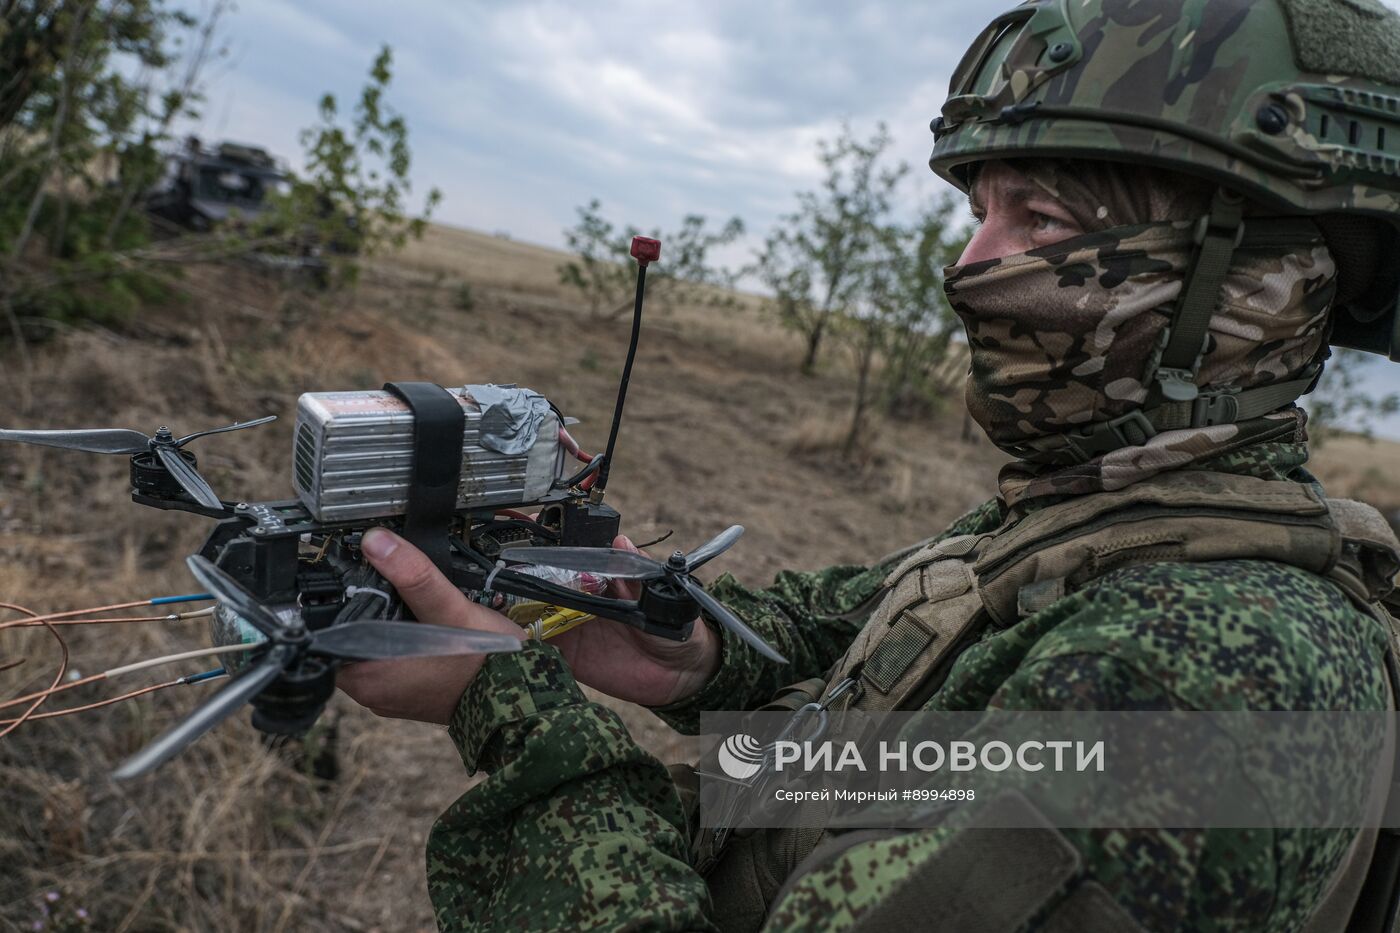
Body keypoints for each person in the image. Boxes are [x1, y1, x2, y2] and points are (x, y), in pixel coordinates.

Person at [337, 0, 1400, 929]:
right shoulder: (1105, 515)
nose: (969, 263)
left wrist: (511, 712)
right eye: (979, 214)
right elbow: (892, 691)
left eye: (1040, 219)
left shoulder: (1203, 676)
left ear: (1242, 284)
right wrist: (694, 654)